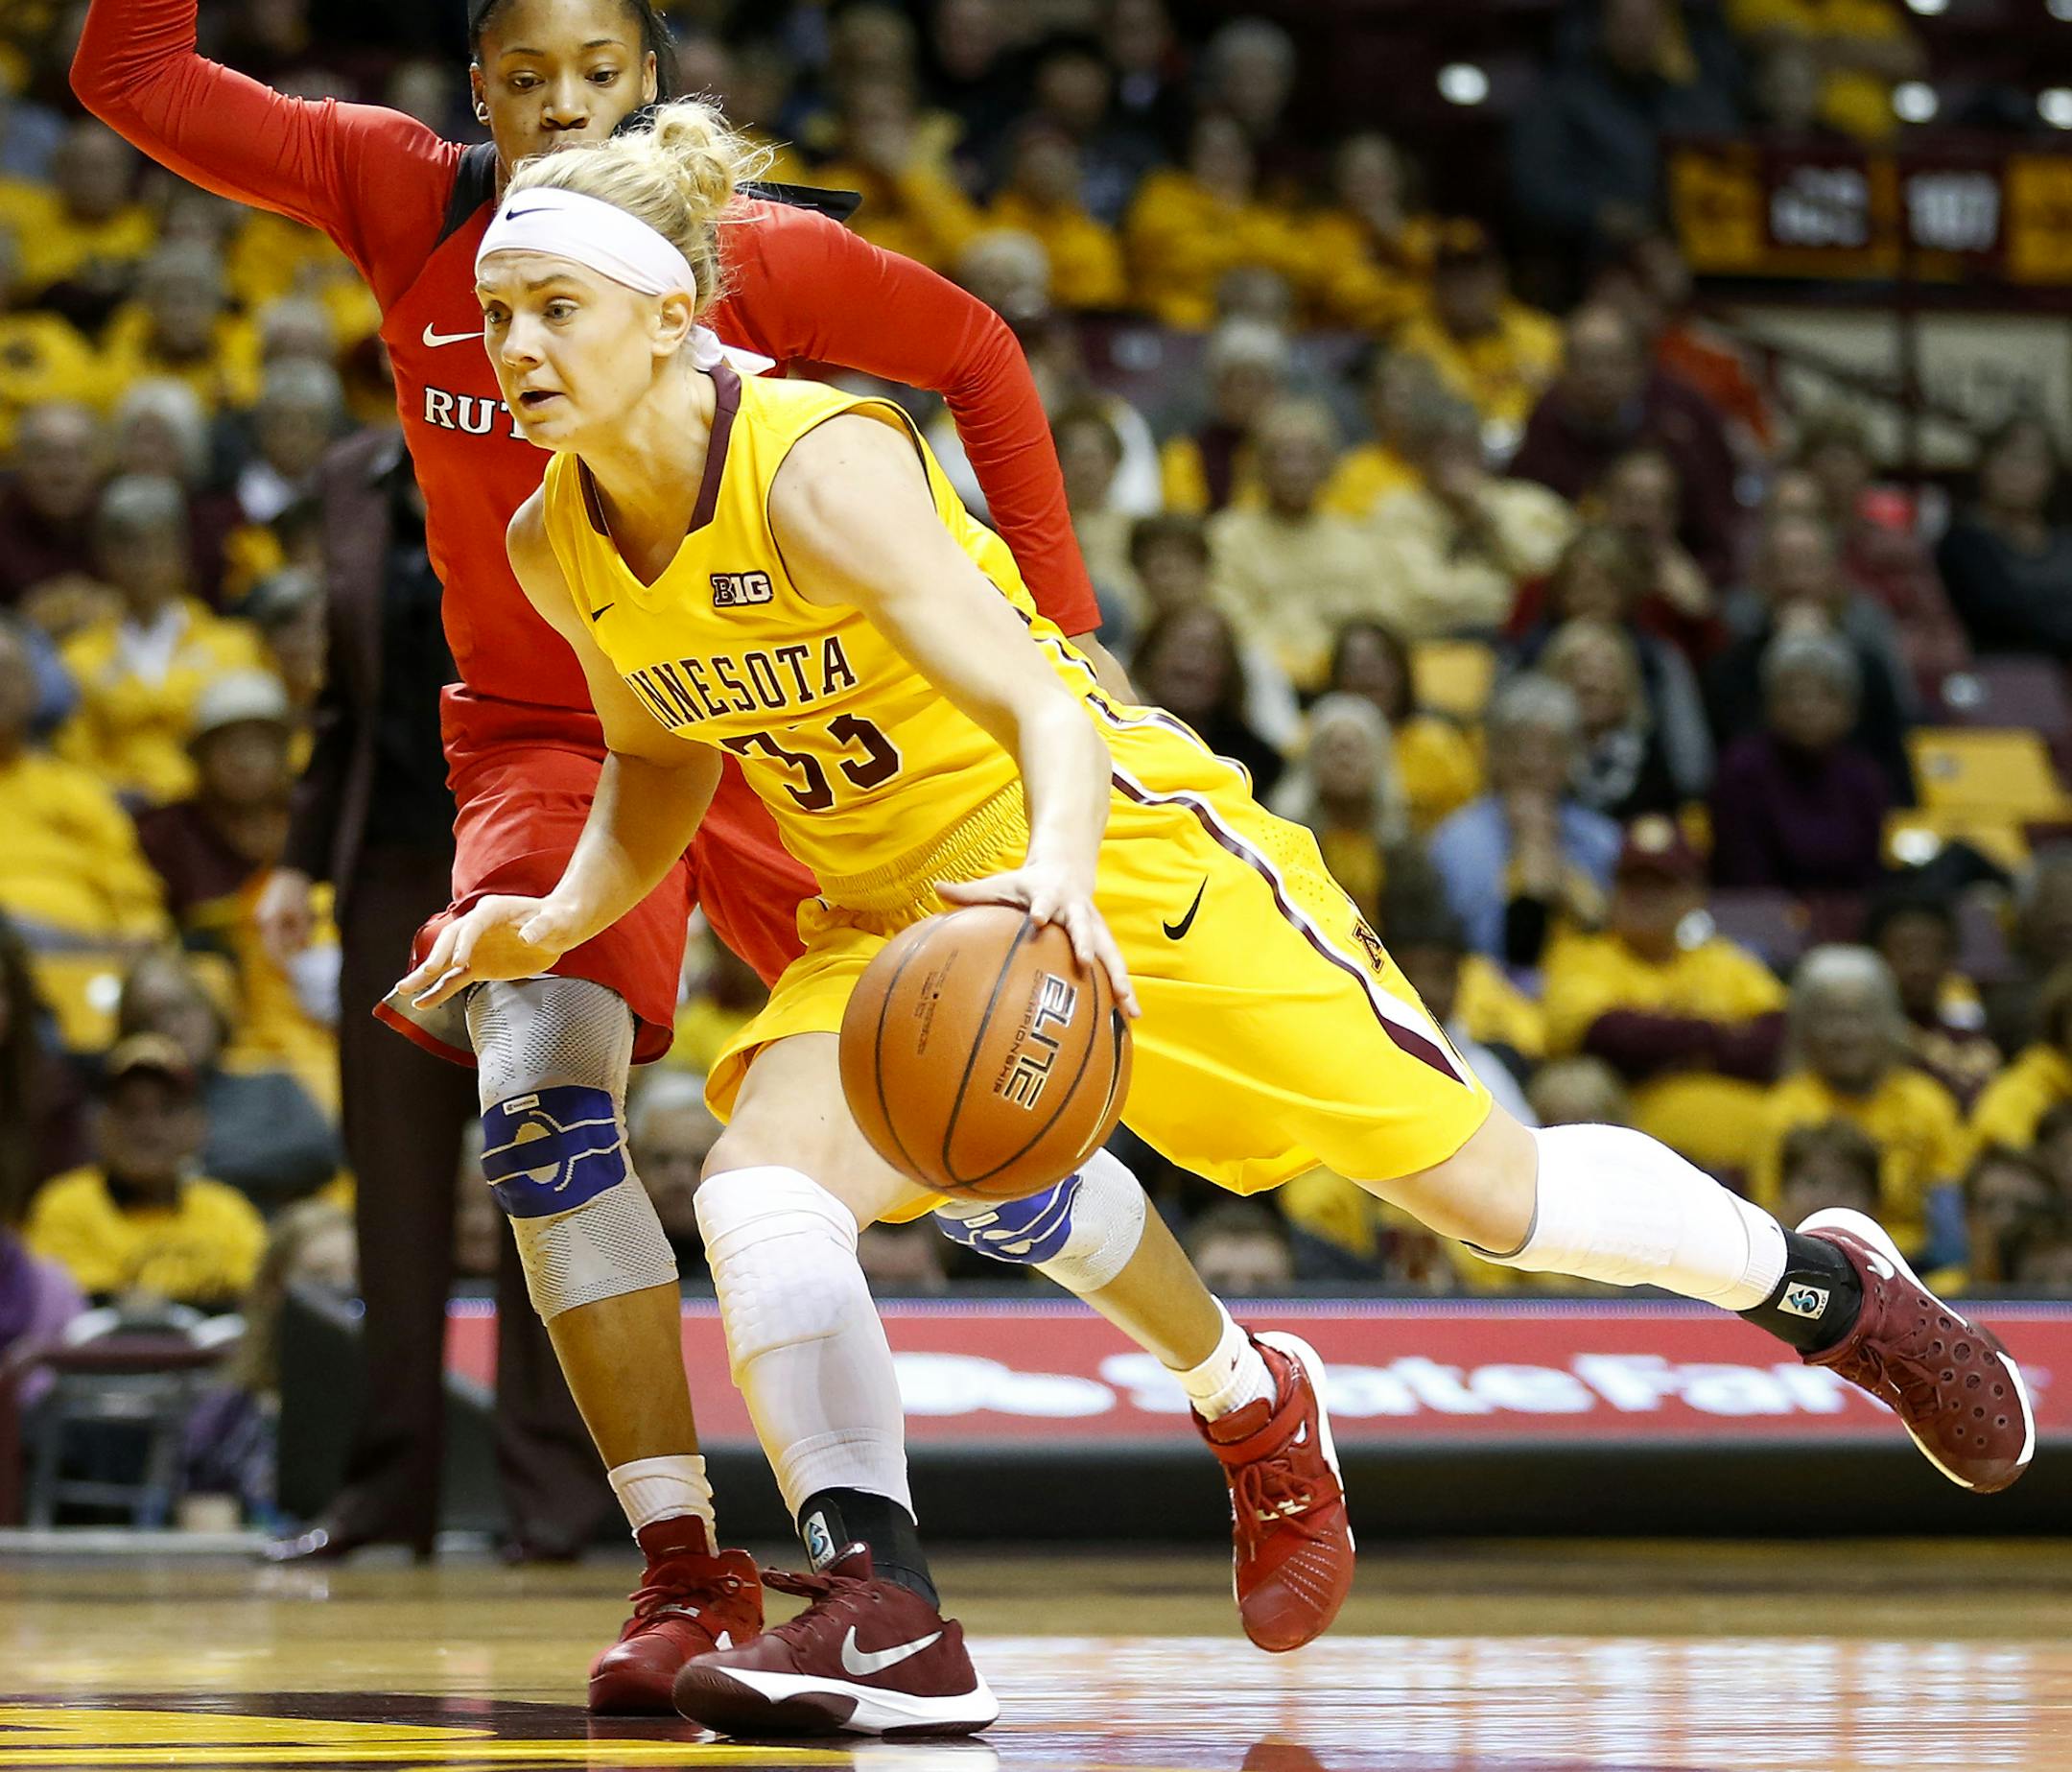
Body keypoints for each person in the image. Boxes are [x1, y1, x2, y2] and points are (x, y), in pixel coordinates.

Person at [412, 103, 2034, 1729]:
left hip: (1115, 854)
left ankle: (1831, 1292)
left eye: (559, 307)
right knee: (764, 1186)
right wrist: (549, 916)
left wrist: (1052, 874)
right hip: (898, 916)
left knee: (1492, 1194)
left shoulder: (819, 463)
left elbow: (1045, 708)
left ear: (674, 314)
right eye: (497, 313)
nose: (517, 345)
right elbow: (656, 764)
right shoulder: (558, 539)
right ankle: (881, 1600)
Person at [74, 0, 1262, 1710]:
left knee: (988, 1124)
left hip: (777, 721)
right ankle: (684, 1566)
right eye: (527, 78)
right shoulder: (407, 200)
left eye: (600, 75)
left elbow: (983, 359)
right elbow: (129, 76)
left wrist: (1061, 635)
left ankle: (1237, 1395)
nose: (563, 108)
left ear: (656, 86)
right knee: (538, 1106)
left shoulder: (736, 257)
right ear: (478, 89)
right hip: (558, 744)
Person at [1540, 815, 1786, 1174]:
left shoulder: (1725, 961)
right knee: (1574, 1086)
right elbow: (1605, 1036)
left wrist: (1664, 1048)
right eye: (1633, 883)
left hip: (1743, 1148)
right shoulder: (1582, 956)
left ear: (1694, 895)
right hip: (1629, 1136)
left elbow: (1775, 1037)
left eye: (1662, 884)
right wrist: (1714, 1038)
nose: (1645, 897)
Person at [1752, 946, 1966, 1263]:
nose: (1846, 1035)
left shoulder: (1928, 1102)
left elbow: (1952, 1214)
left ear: (1890, 1024)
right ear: (1805, 1030)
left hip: (1919, 1267)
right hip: (1815, 1266)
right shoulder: (1782, 1111)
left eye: (1861, 1016)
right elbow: (1770, 1220)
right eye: (1830, 1018)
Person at [23, 1032, 266, 1311]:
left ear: (198, 1126)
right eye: (130, 1110)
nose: (148, 1128)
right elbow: (76, 1303)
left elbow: (256, 1299)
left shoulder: (228, 1210)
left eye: (167, 1110)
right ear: (98, 1125)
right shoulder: (65, 1204)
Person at [1425, 675, 1622, 969]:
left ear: (1571, 759)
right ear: (1493, 755)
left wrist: (1560, 875)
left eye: (1551, 749)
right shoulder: (1453, 842)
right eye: (1518, 747)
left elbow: (1622, 938)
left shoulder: (1604, 840)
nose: (1533, 762)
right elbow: (1454, 946)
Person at [1709, 629, 1891, 894]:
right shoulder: (1742, 770)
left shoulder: (1863, 777)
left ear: (1850, 710)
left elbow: (1869, 879)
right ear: (1768, 706)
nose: (1805, 707)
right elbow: (1744, 878)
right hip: (1760, 921)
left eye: (1823, 695)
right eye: (1791, 694)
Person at [1935, 417, 2072, 662]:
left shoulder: (2065, 542)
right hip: (2005, 678)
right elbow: (2000, 614)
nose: (2017, 471)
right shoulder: (1963, 543)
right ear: (1985, 465)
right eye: (2008, 457)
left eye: (2032, 461)